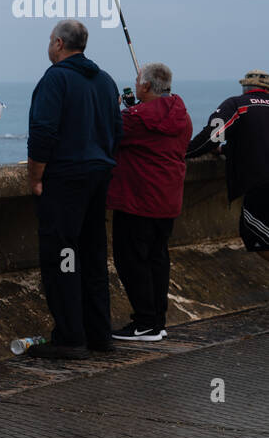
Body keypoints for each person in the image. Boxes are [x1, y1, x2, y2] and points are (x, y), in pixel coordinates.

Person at [25, 20, 122, 360]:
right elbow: (117, 129)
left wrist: (36, 177)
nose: (49, 45)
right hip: (98, 176)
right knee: (93, 256)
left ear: (59, 44)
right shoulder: (106, 81)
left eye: (50, 40)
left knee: (63, 257)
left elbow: (43, 133)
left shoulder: (57, 79)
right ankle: (100, 334)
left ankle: (70, 336)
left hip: (66, 181)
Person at [106, 62, 191, 341]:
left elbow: (110, 134)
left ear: (144, 86)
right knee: (157, 258)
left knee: (131, 260)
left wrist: (120, 107)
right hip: (167, 200)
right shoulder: (181, 114)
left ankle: (144, 322)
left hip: (137, 199)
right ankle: (157, 321)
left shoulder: (136, 119)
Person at [187, 70, 269, 261]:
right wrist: (225, 151)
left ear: (245, 88)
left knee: (258, 237)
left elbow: (213, 135)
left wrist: (183, 152)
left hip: (261, 185)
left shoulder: (237, 104)